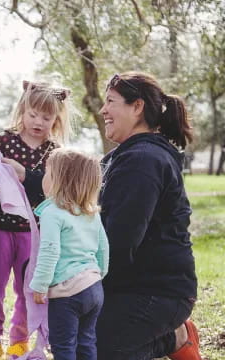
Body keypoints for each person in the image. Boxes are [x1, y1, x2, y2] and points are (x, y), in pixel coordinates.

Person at [96, 72, 200, 360]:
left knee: (96, 347)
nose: (103, 110)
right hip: (135, 284)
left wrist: (89, 289)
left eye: (111, 101)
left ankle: (175, 338)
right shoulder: (125, 156)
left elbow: (120, 239)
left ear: (137, 106)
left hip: (156, 290)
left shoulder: (142, 161)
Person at [0, 80, 71, 360]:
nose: (38, 122)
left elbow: (54, 190)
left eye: (46, 117)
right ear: (23, 110)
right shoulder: (4, 141)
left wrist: (26, 173)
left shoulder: (53, 151)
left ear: (56, 119)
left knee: (27, 288)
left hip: (33, 231)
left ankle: (19, 340)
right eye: (33, 114)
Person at [30, 149, 109, 360]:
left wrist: (40, 284)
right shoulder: (90, 212)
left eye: (47, 172)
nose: (43, 178)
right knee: (86, 341)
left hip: (67, 292)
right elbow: (103, 247)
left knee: (63, 346)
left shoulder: (52, 213)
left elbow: (49, 251)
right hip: (93, 287)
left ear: (58, 180)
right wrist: (98, 275)